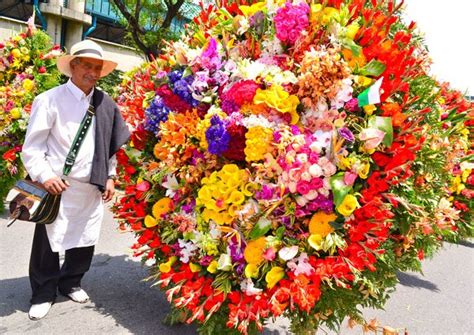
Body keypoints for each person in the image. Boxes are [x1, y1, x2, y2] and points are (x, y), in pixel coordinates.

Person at [21, 39, 130, 320]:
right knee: (48, 242)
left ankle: (71, 282)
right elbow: (32, 148)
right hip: (57, 186)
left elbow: (109, 147)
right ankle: (43, 293)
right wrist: (45, 176)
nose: (92, 72)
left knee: (84, 238)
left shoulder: (105, 103)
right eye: (87, 66)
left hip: (90, 186)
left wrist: (110, 176)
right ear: (73, 65)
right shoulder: (48, 100)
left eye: (97, 68)